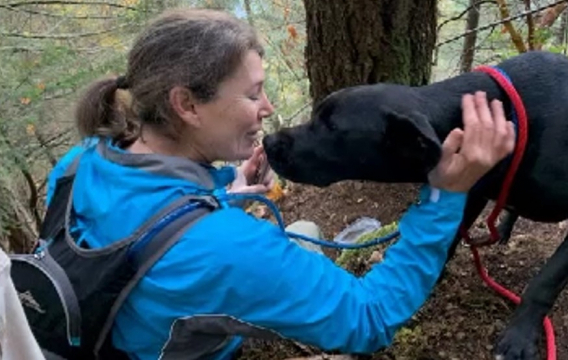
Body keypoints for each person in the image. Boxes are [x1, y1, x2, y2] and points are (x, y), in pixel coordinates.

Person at [42, 8, 515, 360]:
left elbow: (139, 230)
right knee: (304, 236)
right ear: (186, 105)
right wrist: (445, 196)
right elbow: (368, 318)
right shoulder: (229, 250)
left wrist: (222, 192)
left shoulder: (78, 163)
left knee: (305, 231)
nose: (267, 108)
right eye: (252, 94)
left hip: (100, 340)